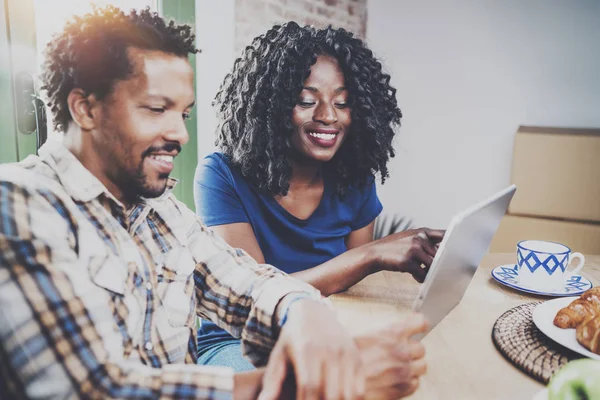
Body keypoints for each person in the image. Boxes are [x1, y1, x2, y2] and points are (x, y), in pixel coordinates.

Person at [0, 7, 429, 400]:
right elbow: (98, 388)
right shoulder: (18, 205)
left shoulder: (159, 211)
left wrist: (302, 312)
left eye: (182, 114)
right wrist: (313, 385)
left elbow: (245, 280)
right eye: (155, 109)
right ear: (85, 109)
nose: (180, 134)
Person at [195, 22, 444, 374]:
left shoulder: (354, 178)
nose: (328, 116)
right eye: (306, 101)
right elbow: (251, 300)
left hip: (322, 330)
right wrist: (371, 255)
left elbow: (352, 288)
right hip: (238, 342)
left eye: (342, 102)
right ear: (274, 105)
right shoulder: (221, 176)